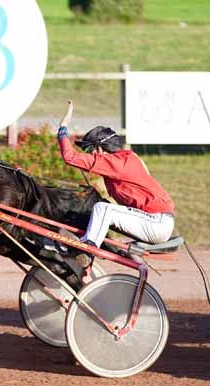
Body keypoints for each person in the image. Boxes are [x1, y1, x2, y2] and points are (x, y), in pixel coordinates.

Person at [54, 100, 175, 271]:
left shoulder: (118, 162)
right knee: (99, 209)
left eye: (91, 151)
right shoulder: (126, 159)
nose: (90, 155)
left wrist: (63, 129)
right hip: (155, 221)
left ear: (101, 148)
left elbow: (70, 157)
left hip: (156, 223)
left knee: (103, 209)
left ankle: (87, 250)